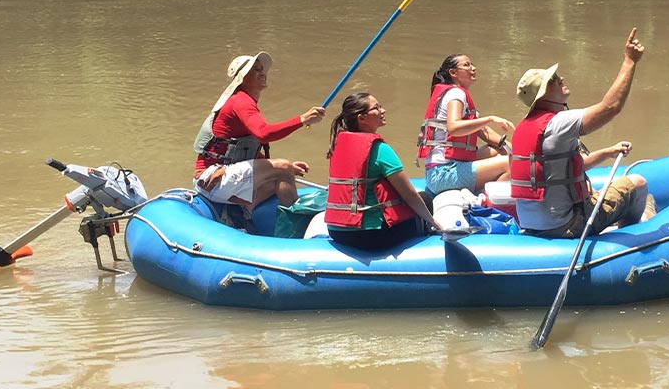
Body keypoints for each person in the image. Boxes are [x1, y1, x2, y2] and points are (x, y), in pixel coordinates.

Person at [510, 27, 656, 238]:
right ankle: (631, 235)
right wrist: (630, 61)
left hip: (533, 224)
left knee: (596, 193)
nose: (561, 79)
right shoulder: (559, 122)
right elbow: (610, 107)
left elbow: (564, 169)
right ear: (541, 97)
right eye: (553, 80)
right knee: (639, 184)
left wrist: (607, 152)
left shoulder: (525, 127)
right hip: (567, 224)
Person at [192, 51, 326, 211]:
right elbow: (264, 133)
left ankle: (243, 217)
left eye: (262, 69)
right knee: (282, 167)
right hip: (212, 178)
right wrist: (302, 120)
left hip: (219, 180)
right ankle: (295, 226)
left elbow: (247, 149)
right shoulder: (241, 101)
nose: (262, 73)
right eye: (255, 69)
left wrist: (287, 167)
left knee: (280, 176)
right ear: (242, 77)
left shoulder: (244, 101)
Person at [325, 92, 438, 250]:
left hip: (337, 231)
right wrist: (436, 225)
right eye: (376, 108)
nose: (383, 110)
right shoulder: (379, 149)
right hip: (370, 236)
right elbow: (409, 194)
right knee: (425, 198)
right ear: (361, 118)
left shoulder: (337, 146)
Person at [418, 54, 516, 195]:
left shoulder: (454, 93)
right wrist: (491, 118)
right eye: (467, 65)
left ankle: (483, 191)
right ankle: (485, 204)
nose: (473, 68)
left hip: (440, 172)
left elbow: (485, 132)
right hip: (443, 174)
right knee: (509, 163)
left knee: (497, 150)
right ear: (453, 73)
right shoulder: (456, 94)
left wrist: (519, 153)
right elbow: (454, 128)